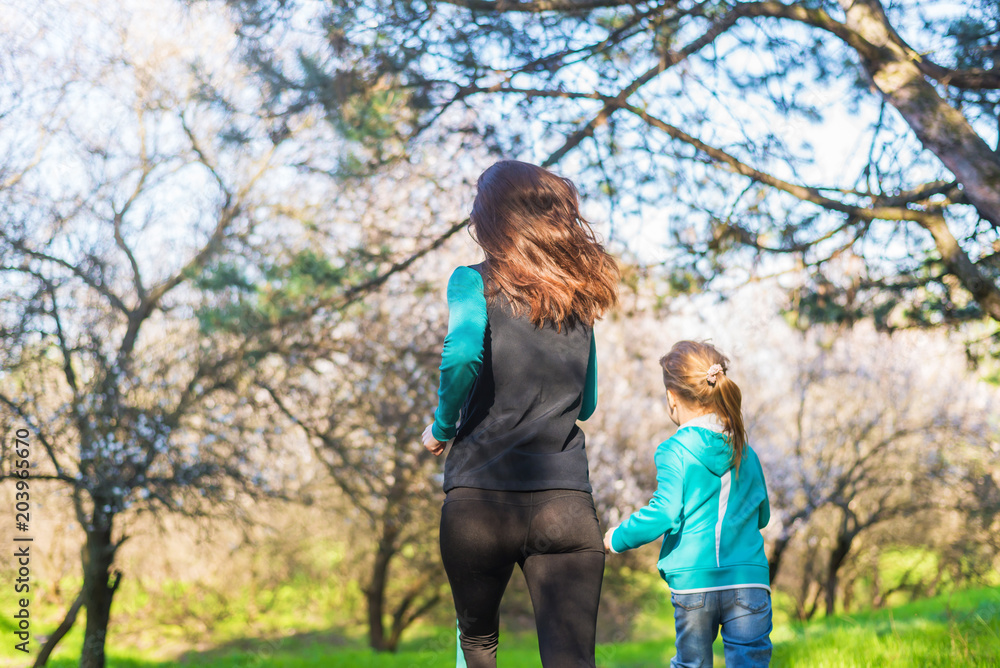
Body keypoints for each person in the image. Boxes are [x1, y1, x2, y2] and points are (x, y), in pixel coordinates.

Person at [421, 159, 619, 668]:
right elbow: (588, 402)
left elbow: (463, 354)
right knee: (571, 661)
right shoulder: (577, 296)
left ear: (490, 219)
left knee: (479, 648)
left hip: (479, 502)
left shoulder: (472, 282)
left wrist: (442, 426)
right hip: (565, 505)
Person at [603, 341, 772, 668]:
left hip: (695, 584)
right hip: (748, 581)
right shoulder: (745, 451)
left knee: (691, 664)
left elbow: (664, 512)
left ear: (672, 397)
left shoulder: (675, 450)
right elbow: (762, 516)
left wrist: (617, 538)